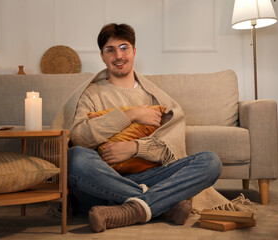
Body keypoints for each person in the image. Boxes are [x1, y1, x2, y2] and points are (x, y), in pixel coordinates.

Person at [51, 23, 222, 232]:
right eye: (110, 50)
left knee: (210, 162)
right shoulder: (91, 94)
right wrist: (130, 114)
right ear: (102, 56)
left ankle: (129, 209)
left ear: (134, 51)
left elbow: (171, 145)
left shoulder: (153, 96)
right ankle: (162, 205)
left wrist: (134, 148)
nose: (118, 56)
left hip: (148, 176)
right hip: (101, 179)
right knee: (75, 157)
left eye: (124, 48)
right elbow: (79, 137)